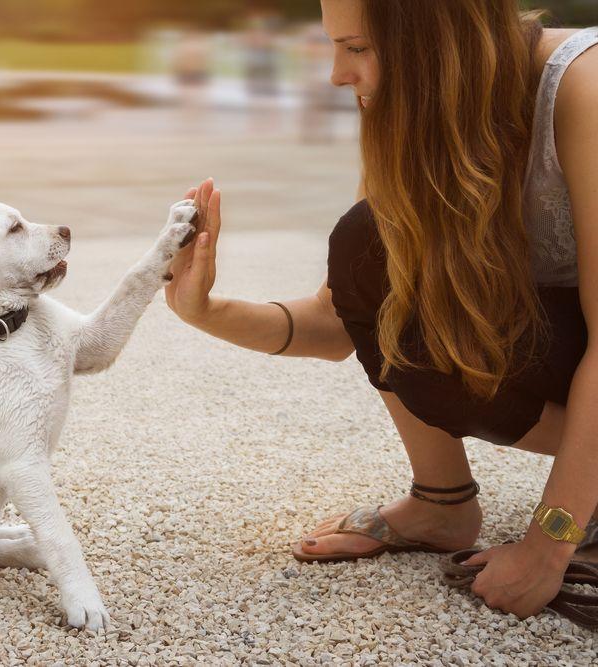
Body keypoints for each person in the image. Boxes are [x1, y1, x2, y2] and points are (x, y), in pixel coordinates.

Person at [165, 0, 598, 620]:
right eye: (335, 46)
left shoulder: (584, 83)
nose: (337, 74)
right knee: (369, 245)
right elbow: (341, 320)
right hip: (569, 356)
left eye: (359, 48)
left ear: (440, 40)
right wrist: (203, 310)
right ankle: (442, 502)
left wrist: (548, 545)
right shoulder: (420, 116)